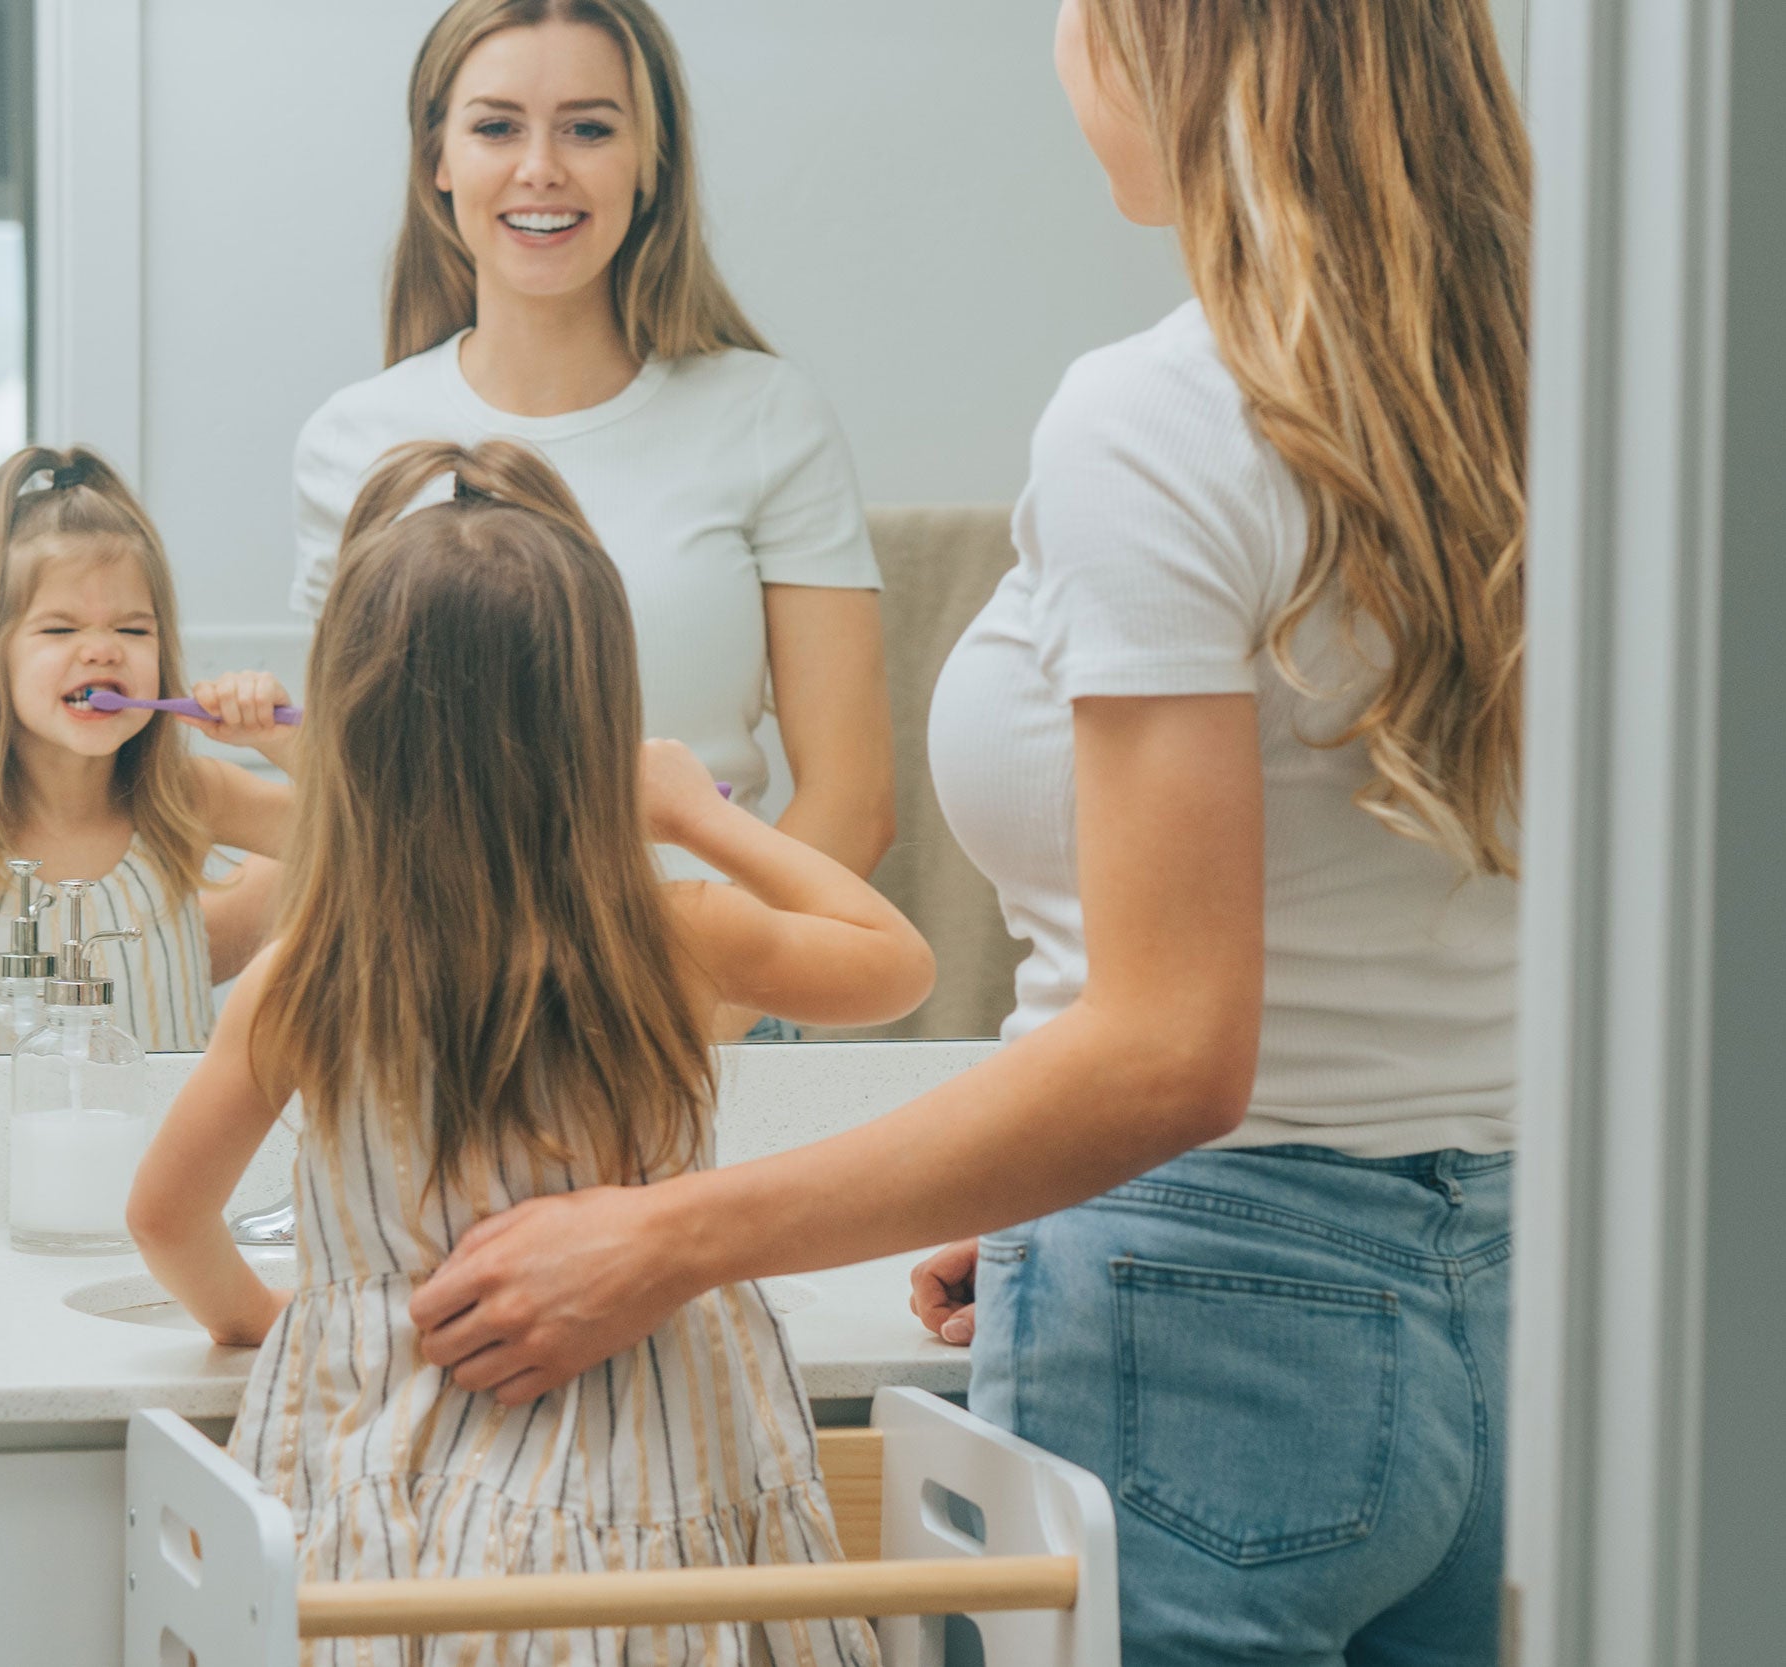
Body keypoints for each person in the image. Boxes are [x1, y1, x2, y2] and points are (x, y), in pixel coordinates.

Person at [404, 2, 1531, 1660]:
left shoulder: (1162, 423)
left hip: (1202, 1313)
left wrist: (665, 1237)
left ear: (1167, 44)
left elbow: (1173, 1058)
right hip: (1519, 1297)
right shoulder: (1540, 398)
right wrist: (1035, 1172)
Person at [127, 439, 933, 1667]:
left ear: (350, 721)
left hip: (404, 1557)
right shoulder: (669, 934)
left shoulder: (313, 972)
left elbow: (164, 1217)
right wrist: (694, 814)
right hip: (654, 1540)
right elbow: (893, 959)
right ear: (600, 716)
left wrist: (271, 1316)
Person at [291, 0, 895, 981]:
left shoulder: (767, 415)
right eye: (495, 126)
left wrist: (672, 1036)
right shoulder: (351, 442)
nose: (541, 167)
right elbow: (350, 793)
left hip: (707, 1013)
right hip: (443, 1011)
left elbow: (852, 801)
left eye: (589, 127)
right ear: (436, 159)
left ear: (650, 162)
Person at [0, 445, 299, 1054]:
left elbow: (370, 836)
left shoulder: (192, 794)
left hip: (169, 1150)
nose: (103, 649)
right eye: (60, 628)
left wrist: (286, 743)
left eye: (133, 629)